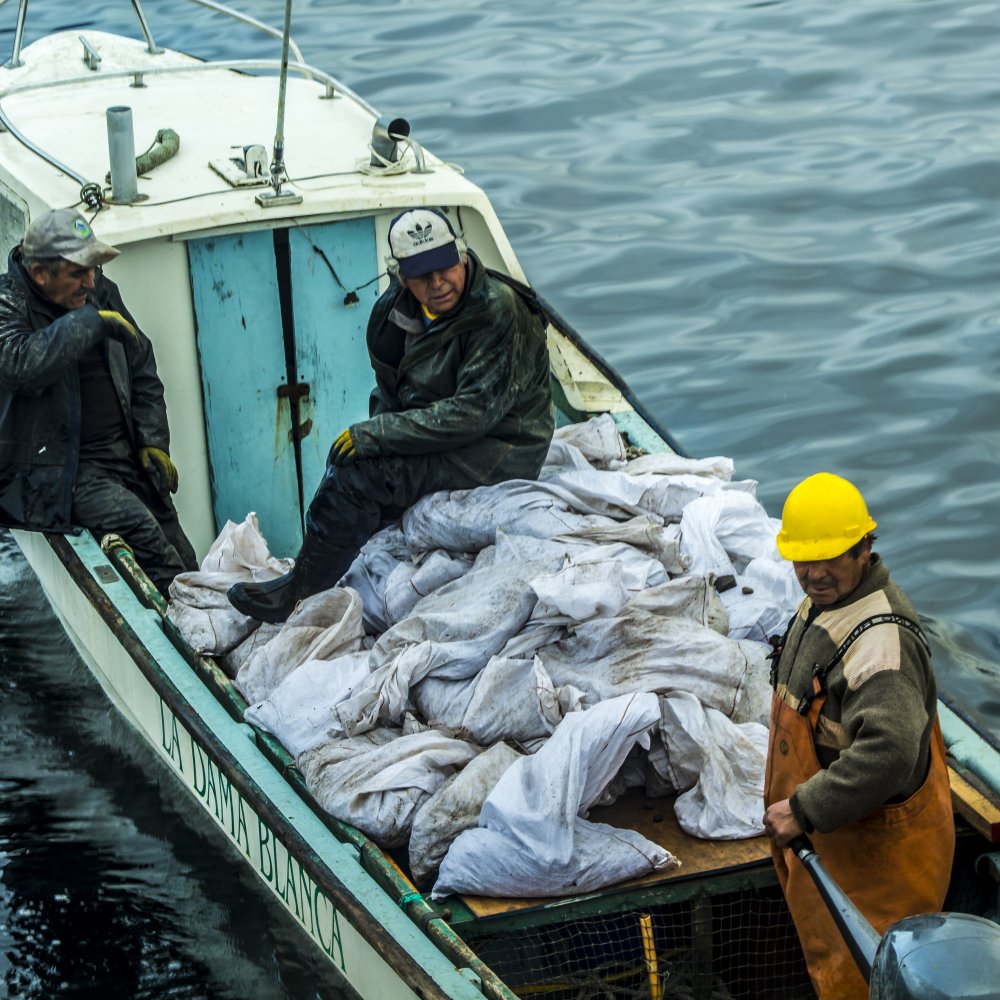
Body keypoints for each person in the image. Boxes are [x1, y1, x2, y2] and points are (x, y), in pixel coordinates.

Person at [229, 207, 554, 623]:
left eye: (445, 268)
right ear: (402, 277)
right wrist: (374, 444)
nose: (438, 284)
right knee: (352, 468)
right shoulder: (391, 315)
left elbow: (474, 413)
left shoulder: (498, 311)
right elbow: (391, 391)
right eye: (422, 275)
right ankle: (318, 565)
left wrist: (379, 436)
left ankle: (299, 593)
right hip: (445, 435)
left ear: (462, 255)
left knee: (360, 477)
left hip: (498, 448)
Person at [762, 472, 954, 999]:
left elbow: (889, 751)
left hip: (877, 869)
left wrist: (803, 808)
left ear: (865, 548)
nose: (815, 573)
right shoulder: (827, 602)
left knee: (868, 984)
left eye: (833, 558)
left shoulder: (881, 644)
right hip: (831, 850)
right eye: (803, 559)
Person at [0, 208, 197, 593]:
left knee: (181, 552)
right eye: (79, 272)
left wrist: (153, 441)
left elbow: (141, 365)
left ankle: (207, 629)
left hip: (122, 453)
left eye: (94, 269)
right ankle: (189, 644)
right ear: (40, 273)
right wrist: (90, 322)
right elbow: (19, 365)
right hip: (60, 471)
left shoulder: (97, 289)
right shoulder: (8, 302)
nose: (91, 282)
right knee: (144, 535)